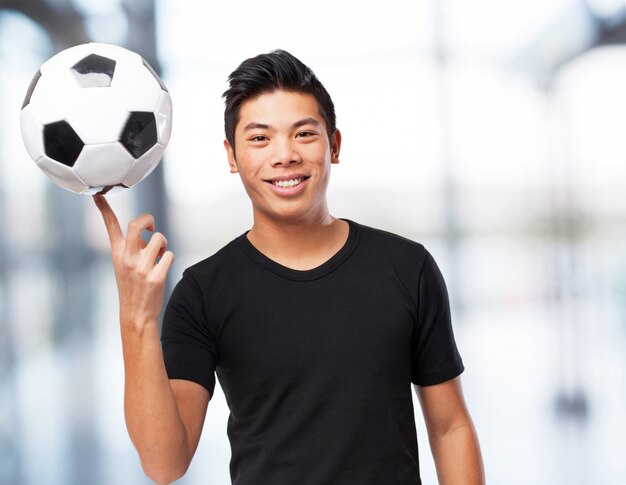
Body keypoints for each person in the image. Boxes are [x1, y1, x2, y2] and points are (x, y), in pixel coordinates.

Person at [93, 49, 485, 485]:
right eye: (260, 138)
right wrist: (136, 316)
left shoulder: (407, 268)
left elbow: (451, 427)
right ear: (232, 155)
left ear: (333, 146)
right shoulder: (203, 292)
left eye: (303, 134)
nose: (284, 155)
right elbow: (164, 464)